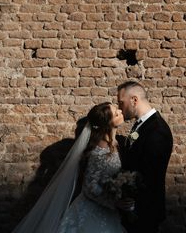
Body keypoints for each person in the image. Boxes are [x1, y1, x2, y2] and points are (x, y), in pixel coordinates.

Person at [13, 102, 128, 233]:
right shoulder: (99, 151)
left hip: (109, 213)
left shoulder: (116, 143)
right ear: (107, 123)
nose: (120, 111)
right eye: (116, 113)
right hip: (94, 213)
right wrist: (114, 202)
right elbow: (90, 187)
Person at [117, 81, 173, 233]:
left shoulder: (157, 131)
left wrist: (131, 205)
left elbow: (151, 175)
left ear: (134, 100)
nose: (120, 109)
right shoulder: (142, 125)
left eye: (121, 103)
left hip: (144, 210)